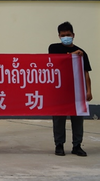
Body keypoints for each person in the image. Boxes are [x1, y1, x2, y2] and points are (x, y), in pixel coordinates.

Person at [49, 21, 93, 157]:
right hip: (59, 91)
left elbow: (86, 72)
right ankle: (59, 145)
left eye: (68, 35)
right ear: (59, 36)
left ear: (73, 35)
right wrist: (73, 54)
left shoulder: (82, 53)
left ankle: (77, 146)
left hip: (77, 92)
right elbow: (56, 61)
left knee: (78, 120)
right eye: (63, 35)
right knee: (58, 120)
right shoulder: (54, 48)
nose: (66, 37)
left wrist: (89, 90)